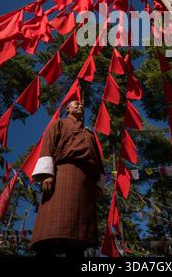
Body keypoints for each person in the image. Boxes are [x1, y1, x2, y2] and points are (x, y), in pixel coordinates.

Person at [30, 100, 105, 258]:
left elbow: (98, 162)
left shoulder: (89, 134)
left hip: (85, 184)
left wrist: (98, 185)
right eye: (75, 104)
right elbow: (48, 146)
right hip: (62, 175)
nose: (80, 106)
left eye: (82, 105)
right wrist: (47, 174)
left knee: (78, 238)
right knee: (52, 228)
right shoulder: (59, 124)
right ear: (67, 108)